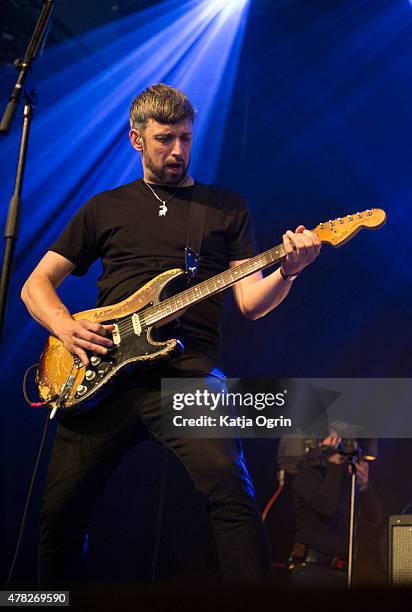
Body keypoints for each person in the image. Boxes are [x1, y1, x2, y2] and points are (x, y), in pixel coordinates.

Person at [21, 83, 321, 588]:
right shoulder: (105, 207)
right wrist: (65, 326)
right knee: (60, 513)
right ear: (136, 140)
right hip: (100, 374)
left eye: (184, 137)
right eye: (164, 139)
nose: (177, 150)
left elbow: (249, 302)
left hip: (189, 373)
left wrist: (288, 272)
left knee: (231, 490)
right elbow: (36, 285)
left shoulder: (224, 208)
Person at [290, 431, 382, 589]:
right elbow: (326, 506)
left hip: (343, 571)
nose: (338, 442)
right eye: (334, 438)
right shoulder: (307, 474)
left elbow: (374, 517)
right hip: (313, 571)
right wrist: (334, 463)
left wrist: (364, 485)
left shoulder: (347, 477)